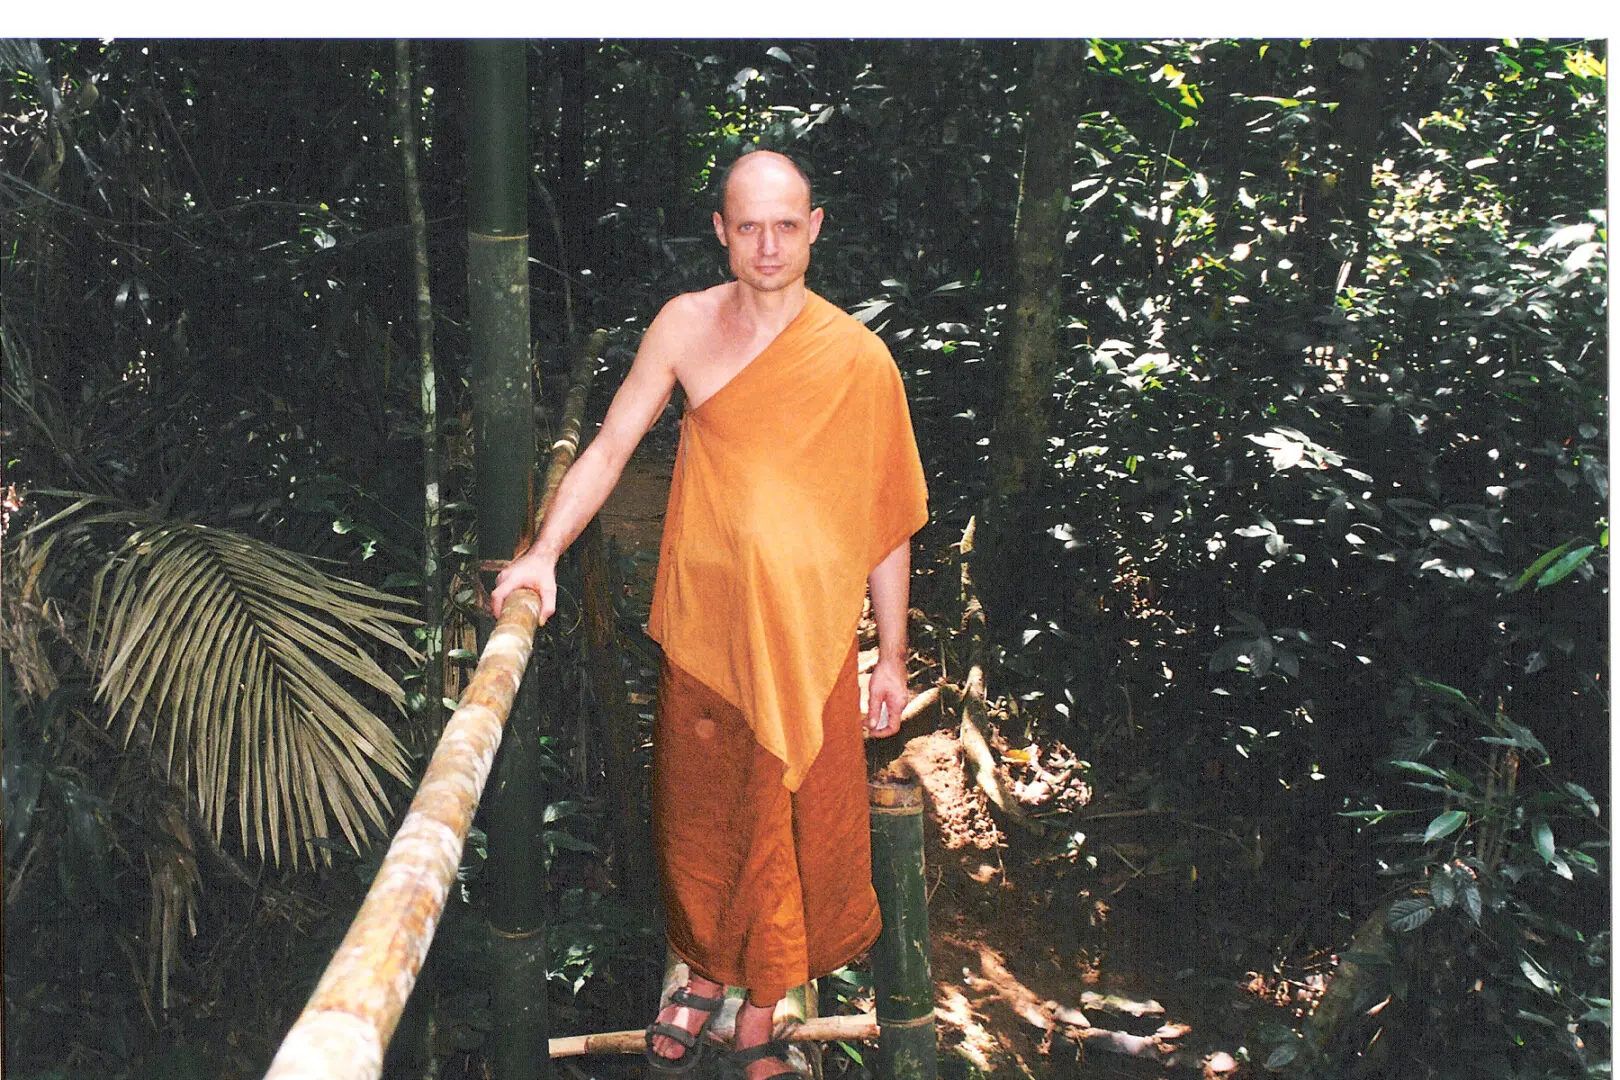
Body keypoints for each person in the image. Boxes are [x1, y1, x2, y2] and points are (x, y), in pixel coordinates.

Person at [490, 149, 928, 1080]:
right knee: (696, 816)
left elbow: (887, 522)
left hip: (809, 643)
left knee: (780, 829)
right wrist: (542, 553)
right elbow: (610, 445)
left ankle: (758, 1014)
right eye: (749, 226)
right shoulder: (685, 326)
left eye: (786, 224)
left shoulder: (858, 358)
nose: (768, 244)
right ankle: (697, 972)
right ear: (722, 233)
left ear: (814, 230)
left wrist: (890, 657)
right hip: (706, 629)